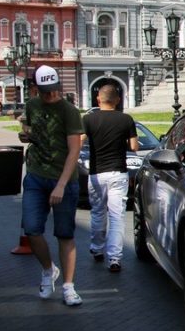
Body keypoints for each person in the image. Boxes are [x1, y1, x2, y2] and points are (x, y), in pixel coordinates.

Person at [19, 65, 84, 306]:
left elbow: (74, 150)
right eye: (45, 92)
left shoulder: (69, 111)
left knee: (64, 233)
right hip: (36, 175)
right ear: (36, 89)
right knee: (32, 229)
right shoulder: (32, 104)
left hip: (63, 178)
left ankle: (69, 286)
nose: (51, 96)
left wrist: (61, 185)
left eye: (54, 90)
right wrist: (26, 134)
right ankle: (48, 270)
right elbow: (30, 128)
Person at [82, 84, 139, 273]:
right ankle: (114, 258)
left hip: (96, 173)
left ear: (98, 99)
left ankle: (97, 249)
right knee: (117, 216)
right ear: (118, 100)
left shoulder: (88, 119)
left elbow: (79, 141)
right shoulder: (126, 119)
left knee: (98, 212)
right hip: (118, 173)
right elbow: (134, 147)